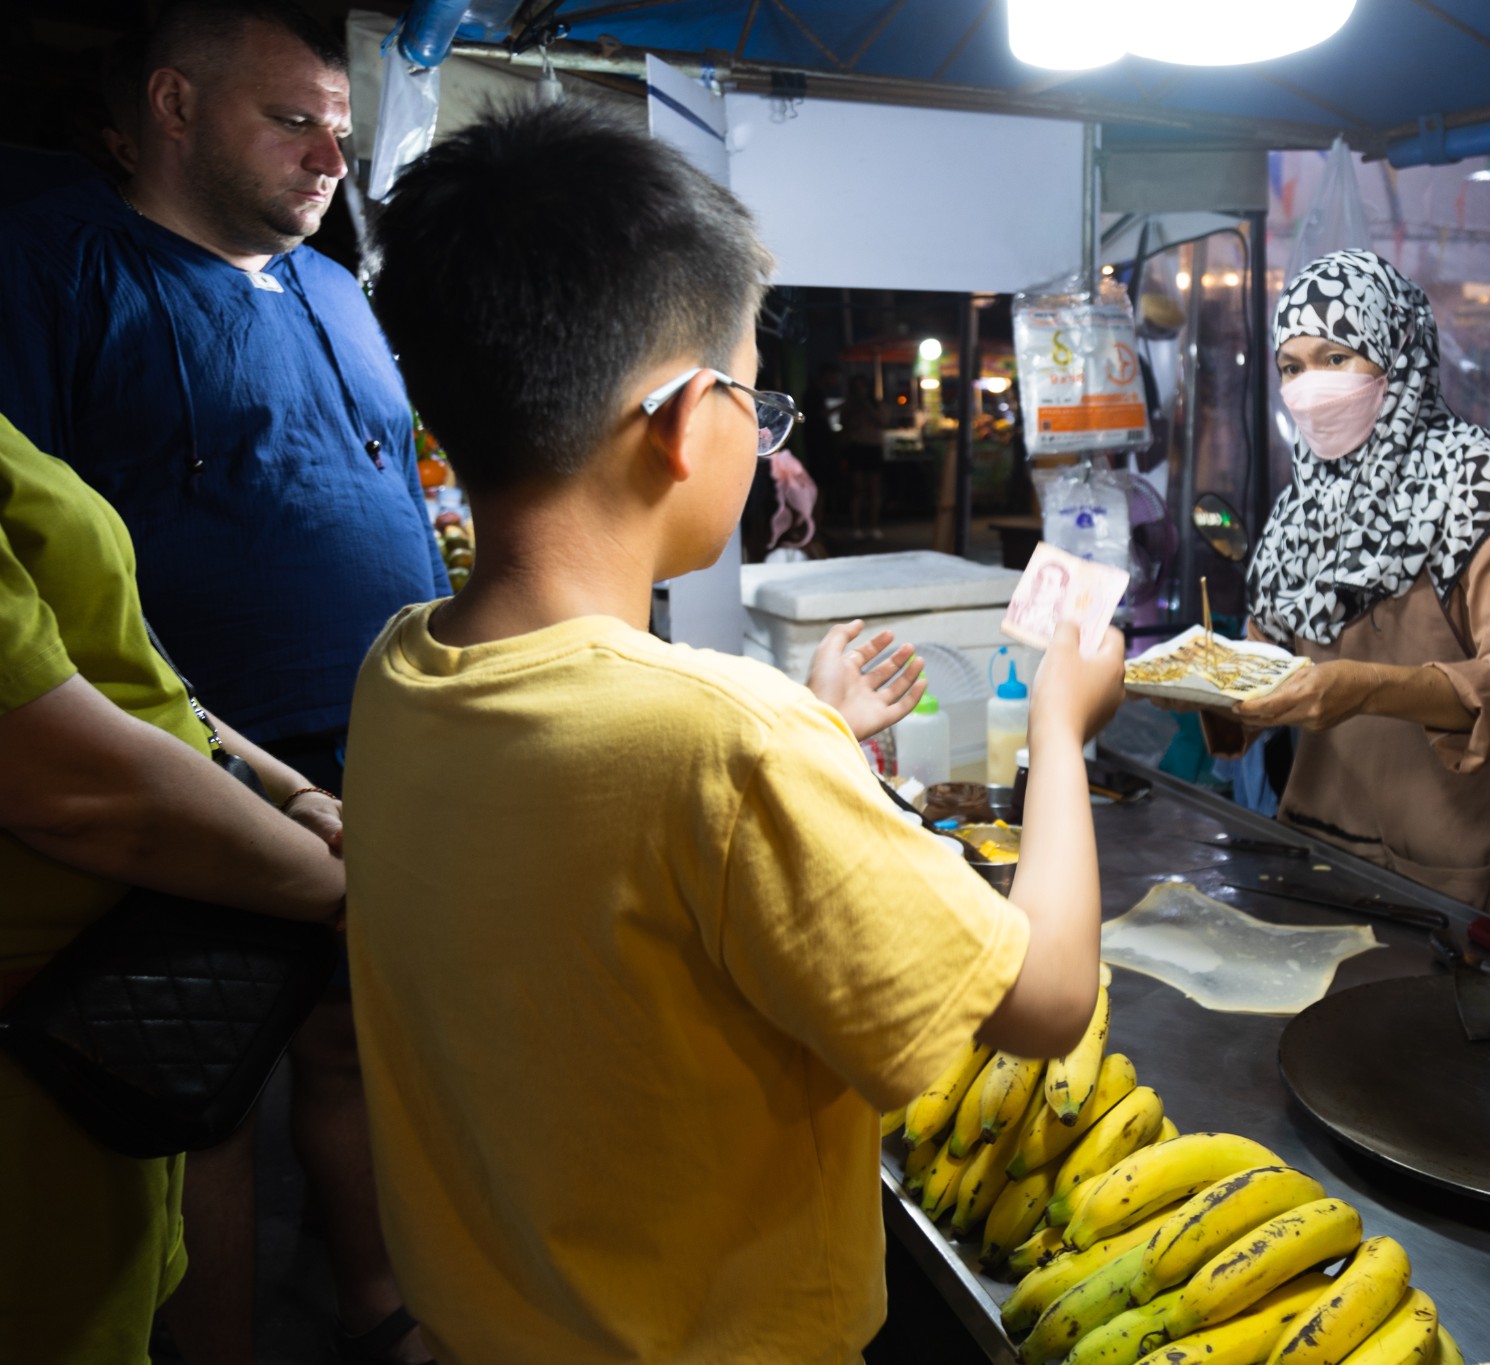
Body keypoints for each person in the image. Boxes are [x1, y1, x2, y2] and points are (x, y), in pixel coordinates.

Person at [345, 103, 1124, 1362]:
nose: (760, 446)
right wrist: (1061, 722)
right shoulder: (727, 743)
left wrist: (810, 724)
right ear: (684, 419)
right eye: (757, 406)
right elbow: (1042, 999)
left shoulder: (402, 668)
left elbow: (591, 853)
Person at [0, 3, 445, 1360]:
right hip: (180, 758)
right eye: (291, 120)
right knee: (194, 1073)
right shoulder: (60, 258)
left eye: (339, 130)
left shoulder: (329, 286)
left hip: (375, 736)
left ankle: (378, 1313)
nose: (327, 156)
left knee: (358, 1045)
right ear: (176, 106)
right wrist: (231, 761)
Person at [0, 414, 346, 1365]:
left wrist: (295, 792)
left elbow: (140, 677)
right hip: (40, 1036)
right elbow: (64, 781)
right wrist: (343, 889)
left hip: (109, 1010)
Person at [1191, 250, 1490, 924]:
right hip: (1318, 860)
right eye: (1293, 367)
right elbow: (1263, 668)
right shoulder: (1301, 506)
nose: (1311, 386)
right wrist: (1203, 689)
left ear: (1398, 354)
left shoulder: (1481, 488)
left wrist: (1364, 687)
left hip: (1452, 886)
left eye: (1336, 358)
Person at [840, 372, 887, 540]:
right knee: (857, 489)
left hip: (873, 447)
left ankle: (874, 526)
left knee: (874, 489)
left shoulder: (876, 404)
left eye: (863, 387)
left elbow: (883, 421)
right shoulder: (848, 406)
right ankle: (856, 527)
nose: (860, 390)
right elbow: (843, 423)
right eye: (857, 387)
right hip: (856, 448)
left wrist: (867, 406)